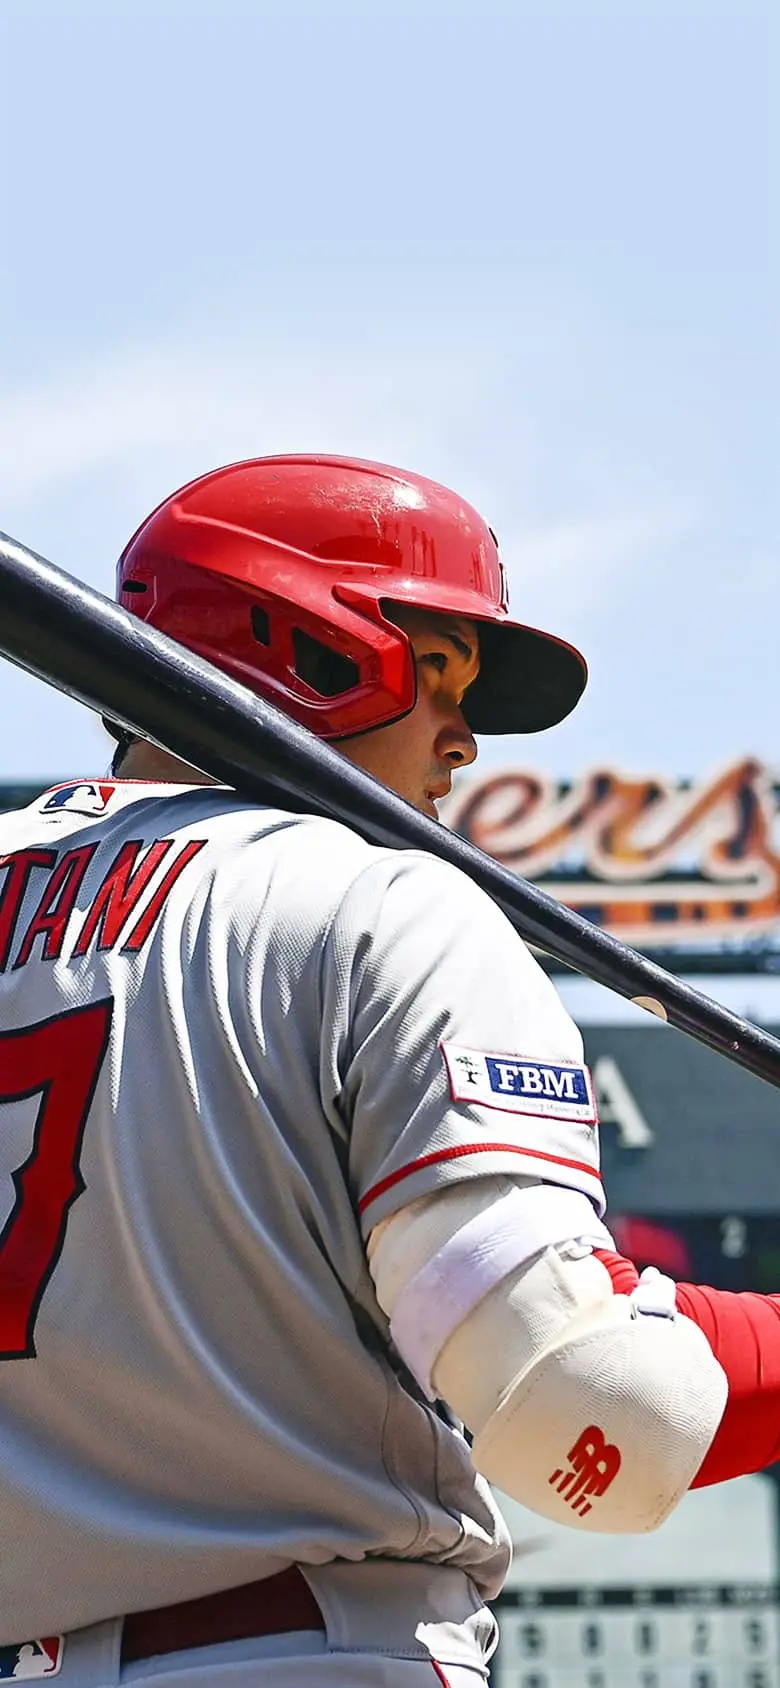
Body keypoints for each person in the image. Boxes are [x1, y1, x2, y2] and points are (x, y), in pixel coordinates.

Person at [0, 454, 776, 1688]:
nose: (464, 741)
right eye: (441, 675)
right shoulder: (379, 901)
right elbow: (594, 1411)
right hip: (299, 1653)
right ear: (310, 645)